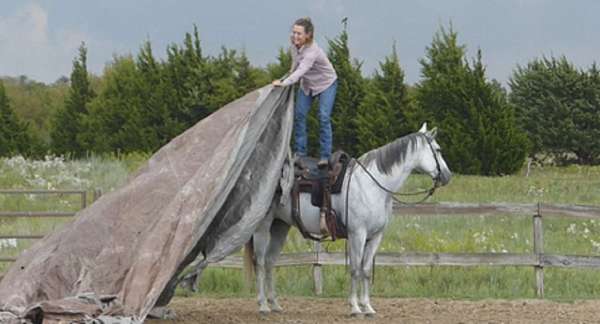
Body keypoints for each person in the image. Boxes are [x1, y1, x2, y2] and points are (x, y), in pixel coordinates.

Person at [272, 17, 338, 167]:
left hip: (326, 84)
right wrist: (287, 75)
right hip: (308, 85)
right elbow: (295, 66)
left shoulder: (312, 52)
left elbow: (301, 71)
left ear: (308, 35)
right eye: (293, 32)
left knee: (323, 117)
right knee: (300, 115)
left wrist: (283, 84)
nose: (295, 36)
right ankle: (300, 153)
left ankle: (325, 156)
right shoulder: (293, 47)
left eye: (299, 34)